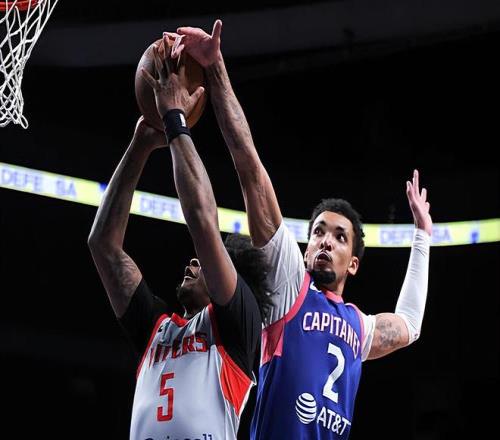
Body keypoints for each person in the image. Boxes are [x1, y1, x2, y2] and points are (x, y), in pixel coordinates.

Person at [170, 20, 432, 438]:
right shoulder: (289, 285)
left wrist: (423, 236)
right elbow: (250, 167)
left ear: (354, 264)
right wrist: (215, 67)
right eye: (319, 233)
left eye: (340, 237)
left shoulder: (360, 327)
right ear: (306, 248)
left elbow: (410, 325)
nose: (326, 241)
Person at [88, 38, 269, 440]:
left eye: (206, 260)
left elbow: (203, 222)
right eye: (197, 259)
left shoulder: (237, 326)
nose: (194, 261)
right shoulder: (156, 328)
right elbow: (103, 246)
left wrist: (175, 119)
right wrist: (139, 146)